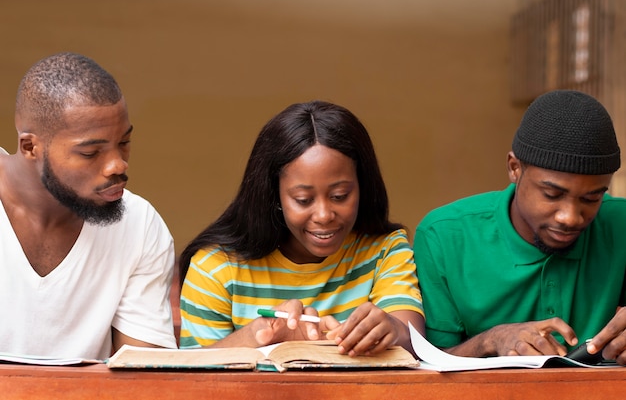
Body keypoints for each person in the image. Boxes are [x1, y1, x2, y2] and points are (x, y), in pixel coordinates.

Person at [178, 100, 424, 357]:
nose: (324, 215)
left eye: (340, 195)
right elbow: (191, 377)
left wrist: (392, 330)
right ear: (273, 196)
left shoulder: (383, 249)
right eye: (303, 200)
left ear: (362, 186)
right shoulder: (216, 267)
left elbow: (413, 342)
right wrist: (257, 337)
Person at [413, 89, 626, 364]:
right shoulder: (444, 237)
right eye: (552, 194)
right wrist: (491, 340)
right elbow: (425, 364)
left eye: (591, 197)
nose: (570, 217)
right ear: (514, 168)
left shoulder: (620, 224)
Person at [0, 52, 177, 360]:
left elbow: (144, 377)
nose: (117, 165)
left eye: (123, 143)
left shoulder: (139, 225)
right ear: (30, 147)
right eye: (91, 152)